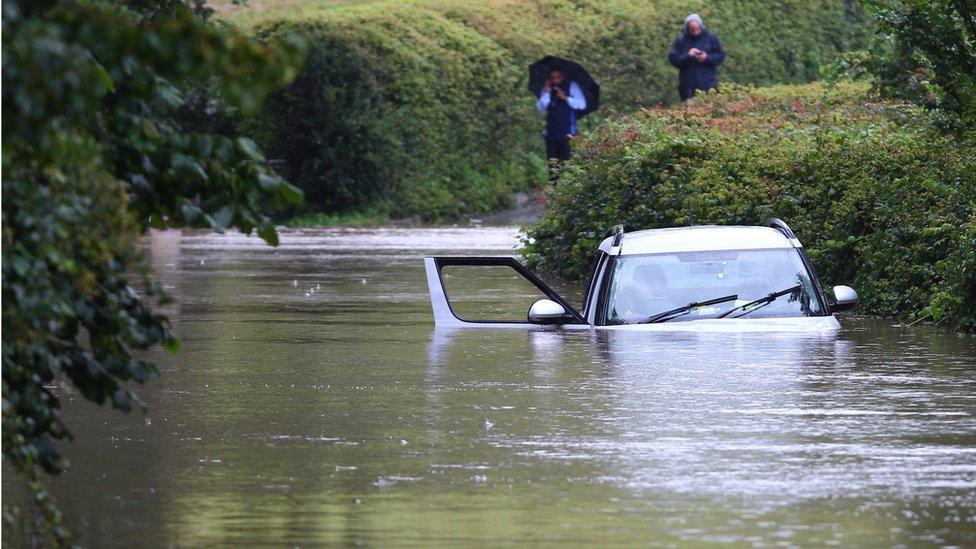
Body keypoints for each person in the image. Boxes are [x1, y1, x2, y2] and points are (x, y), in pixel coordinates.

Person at [536, 68, 587, 171]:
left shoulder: (572, 86)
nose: (555, 80)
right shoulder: (547, 89)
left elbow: (582, 104)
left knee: (567, 163)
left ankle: (567, 186)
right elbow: (540, 108)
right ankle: (553, 186)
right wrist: (546, 92)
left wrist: (566, 98)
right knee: (553, 165)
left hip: (568, 133)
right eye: (552, 78)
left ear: (562, 76)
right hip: (551, 133)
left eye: (557, 77)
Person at [668, 13, 726, 101]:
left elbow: (721, 56)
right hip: (688, 87)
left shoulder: (711, 38)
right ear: (687, 29)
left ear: (701, 27)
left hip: (708, 84)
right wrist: (688, 55)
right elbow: (673, 59)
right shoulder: (680, 41)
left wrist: (707, 58)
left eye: (697, 30)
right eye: (692, 30)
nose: (695, 33)